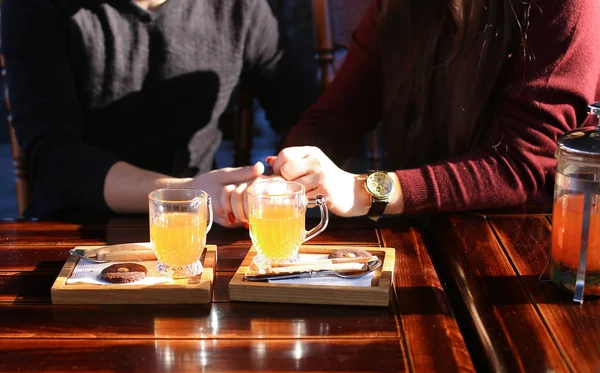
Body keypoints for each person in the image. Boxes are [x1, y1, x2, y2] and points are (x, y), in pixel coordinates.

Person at [222, 0, 600, 223]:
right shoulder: (400, 8)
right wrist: (291, 174)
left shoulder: (567, 6)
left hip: (530, 248)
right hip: (425, 229)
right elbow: (337, 115)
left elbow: (522, 164)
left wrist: (365, 191)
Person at [1, 0, 317, 225]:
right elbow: (54, 159)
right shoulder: (37, 7)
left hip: (200, 229)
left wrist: (277, 181)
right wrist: (183, 192)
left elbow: (304, 118)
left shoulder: (239, 8)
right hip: (74, 228)